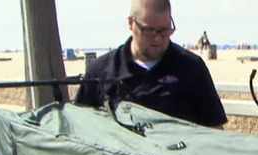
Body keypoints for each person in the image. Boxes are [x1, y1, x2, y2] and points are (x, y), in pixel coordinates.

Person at [74, 0, 227, 129]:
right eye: (149, 30)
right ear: (131, 23)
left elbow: (214, 128)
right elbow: (80, 128)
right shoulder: (101, 71)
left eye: (164, 31)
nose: (158, 39)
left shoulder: (192, 67)